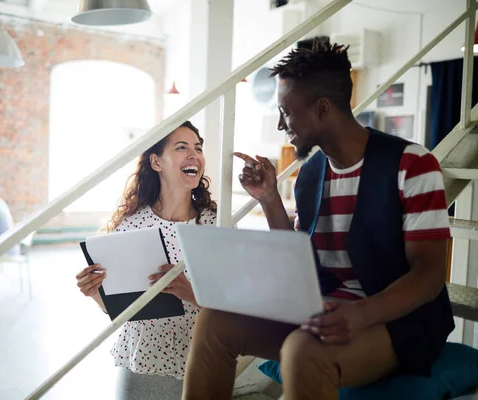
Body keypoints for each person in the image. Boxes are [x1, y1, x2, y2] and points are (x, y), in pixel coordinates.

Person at [182, 40, 454, 399]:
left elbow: (430, 276)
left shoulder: (412, 165)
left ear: (322, 109)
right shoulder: (311, 173)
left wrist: (360, 315)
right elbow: (302, 262)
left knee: (302, 349)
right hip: (328, 311)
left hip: (399, 323)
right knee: (215, 320)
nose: (281, 124)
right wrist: (269, 199)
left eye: (287, 112)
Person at [75, 121, 217, 400]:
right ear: (156, 162)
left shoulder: (217, 224)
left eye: (198, 148)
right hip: (143, 358)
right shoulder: (129, 225)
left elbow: (234, 307)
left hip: (201, 356)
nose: (194, 155)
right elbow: (119, 311)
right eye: (181, 147)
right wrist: (94, 293)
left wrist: (190, 293)